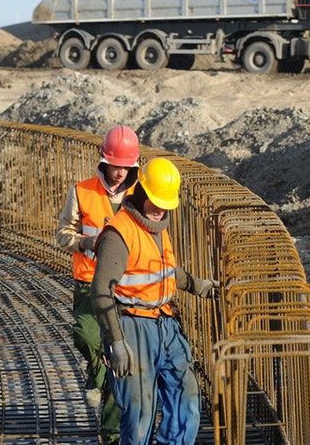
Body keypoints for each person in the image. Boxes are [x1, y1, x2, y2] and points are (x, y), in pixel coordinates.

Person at [91, 157, 219, 445]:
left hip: (165, 324)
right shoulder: (119, 234)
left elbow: (164, 272)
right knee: (139, 411)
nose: (160, 209)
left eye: (165, 203)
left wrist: (199, 286)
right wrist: (116, 341)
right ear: (142, 192)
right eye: (156, 201)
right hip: (132, 327)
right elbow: (100, 292)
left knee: (186, 396)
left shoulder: (157, 227)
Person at [56, 124, 140, 444]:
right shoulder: (81, 191)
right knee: (87, 337)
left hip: (125, 287)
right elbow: (63, 233)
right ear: (104, 162)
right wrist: (86, 242)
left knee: (121, 359)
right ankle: (96, 374)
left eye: (126, 167)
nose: (119, 173)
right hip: (89, 283)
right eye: (115, 165)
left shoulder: (139, 196)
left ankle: (112, 432)